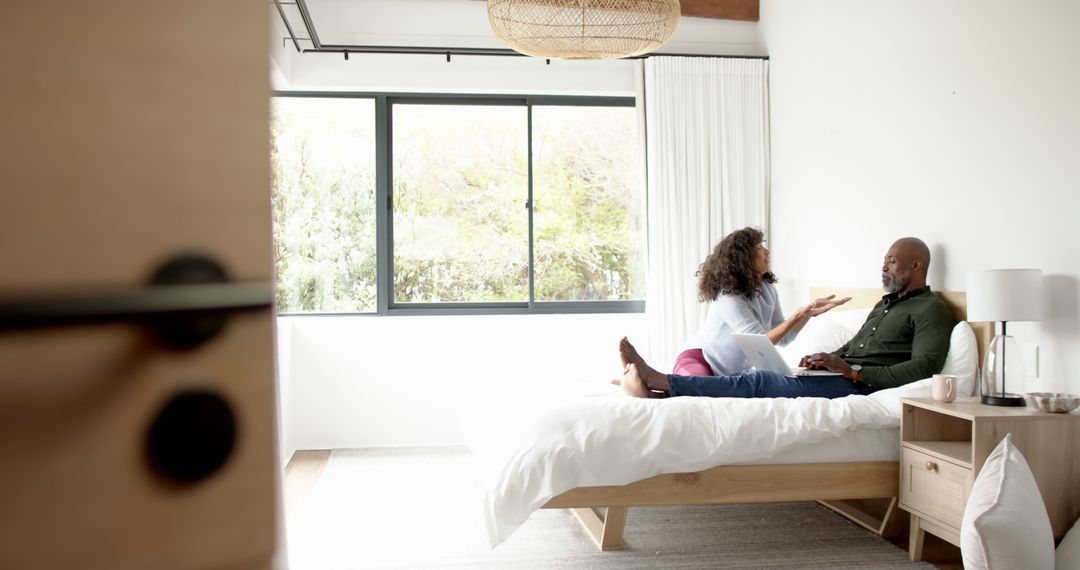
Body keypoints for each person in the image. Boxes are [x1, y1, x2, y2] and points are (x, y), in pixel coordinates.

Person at [620, 237, 955, 399]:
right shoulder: (884, 305)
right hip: (706, 358)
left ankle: (660, 382)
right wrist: (828, 359)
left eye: (892, 261)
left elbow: (925, 368)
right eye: (883, 260)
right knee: (763, 377)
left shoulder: (931, 310)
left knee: (760, 381)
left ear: (917, 265)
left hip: (858, 384)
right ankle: (658, 389)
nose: (883, 267)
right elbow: (854, 346)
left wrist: (852, 372)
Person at [675, 227, 850, 377]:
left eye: (763, 246)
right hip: (700, 359)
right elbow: (758, 343)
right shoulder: (728, 296)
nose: (766, 251)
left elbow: (784, 339)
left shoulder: (767, 288)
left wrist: (807, 314)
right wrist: (798, 314)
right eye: (758, 248)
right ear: (742, 257)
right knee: (698, 390)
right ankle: (650, 383)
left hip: (731, 373)